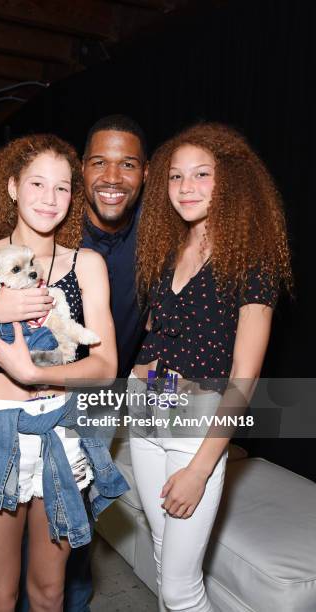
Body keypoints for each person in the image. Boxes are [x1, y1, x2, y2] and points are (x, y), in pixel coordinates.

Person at [0, 133, 130, 612]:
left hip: (61, 435)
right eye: (37, 183)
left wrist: (32, 372)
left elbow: (105, 367)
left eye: (62, 188)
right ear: (14, 187)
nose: (49, 198)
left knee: (50, 593)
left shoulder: (87, 265)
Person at [130, 122, 293, 611]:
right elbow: (164, 343)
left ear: (230, 182)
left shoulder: (251, 260)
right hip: (149, 416)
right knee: (164, 563)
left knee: (181, 589)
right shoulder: (166, 252)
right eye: (176, 177)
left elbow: (244, 377)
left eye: (201, 174)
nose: (186, 188)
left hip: (198, 430)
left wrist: (202, 468)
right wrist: (146, 377)